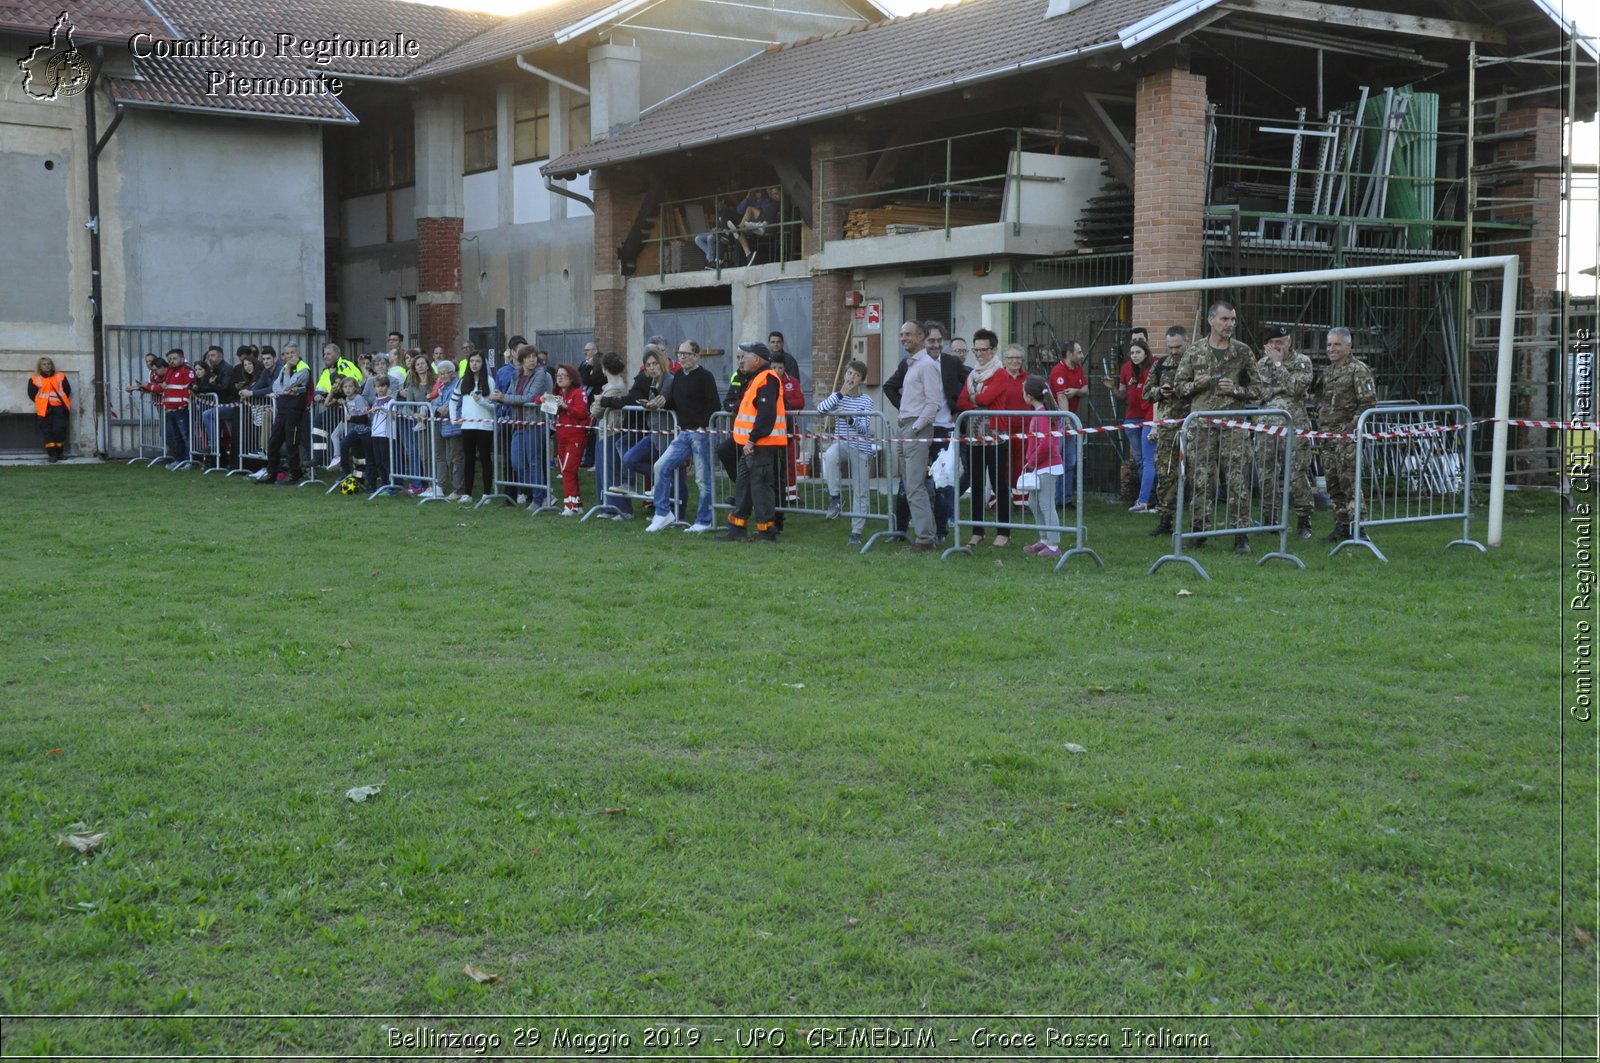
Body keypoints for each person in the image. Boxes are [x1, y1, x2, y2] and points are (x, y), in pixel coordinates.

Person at [1175, 301, 1259, 553]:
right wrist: (1195, 386)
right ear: (1211, 320)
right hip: (1201, 425)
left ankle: (1240, 533)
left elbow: (1258, 389)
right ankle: (1199, 530)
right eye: (1224, 319)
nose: (1229, 324)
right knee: (1200, 478)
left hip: (1232, 424)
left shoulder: (1242, 352)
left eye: (1232, 320)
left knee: (1237, 479)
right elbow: (1179, 387)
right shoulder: (1195, 351)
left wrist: (1235, 390)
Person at [956, 327, 1025, 548]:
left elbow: (987, 397)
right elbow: (961, 402)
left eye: (984, 350)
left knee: (999, 484)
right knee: (976, 484)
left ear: (994, 350)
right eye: (976, 350)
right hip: (976, 435)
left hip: (996, 436)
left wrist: (976, 398)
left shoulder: (1001, 373)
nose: (979, 354)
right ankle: (977, 531)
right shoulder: (973, 374)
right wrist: (978, 399)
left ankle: (1004, 531)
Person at [647, 341, 721, 534]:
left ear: (696, 356)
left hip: (701, 434)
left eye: (686, 354)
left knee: (702, 479)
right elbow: (676, 403)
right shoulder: (679, 376)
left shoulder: (706, 377)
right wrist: (662, 403)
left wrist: (702, 425)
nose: (681, 357)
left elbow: (715, 406)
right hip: (683, 434)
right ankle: (663, 513)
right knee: (660, 466)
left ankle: (704, 520)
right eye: (679, 353)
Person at [1315, 326, 1377, 543]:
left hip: (1347, 439)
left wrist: (1351, 429)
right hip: (1328, 438)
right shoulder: (1329, 372)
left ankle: (1359, 529)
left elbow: (1368, 403)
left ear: (1349, 346)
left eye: (1337, 344)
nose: (1331, 349)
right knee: (1333, 484)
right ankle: (1342, 525)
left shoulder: (1358, 370)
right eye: (1329, 345)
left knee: (1350, 484)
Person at [1254, 325, 1317, 538]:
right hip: (1266, 427)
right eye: (1272, 343)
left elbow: (1297, 388)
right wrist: (1279, 387)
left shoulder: (1302, 362)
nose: (1276, 346)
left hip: (1294, 426)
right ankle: (1270, 518)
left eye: (1280, 342)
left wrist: (1279, 365)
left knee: (1297, 473)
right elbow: (1257, 392)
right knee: (1266, 472)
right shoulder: (1261, 364)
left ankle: (1304, 519)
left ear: (1289, 342)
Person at [720, 341, 786, 541]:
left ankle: (766, 531)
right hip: (750, 445)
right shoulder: (756, 379)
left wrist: (752, 440)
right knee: (744, 487)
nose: (741, 360)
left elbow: (766, 416)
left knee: (760, 489)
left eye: (744, 356)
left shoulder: (766, 379)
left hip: (759, 446)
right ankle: (736, 528)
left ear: (756, 359)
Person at [895, 323, 949, 552]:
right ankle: (925, 535)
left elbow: (933, 403)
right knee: (910, 485)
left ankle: (926, 538)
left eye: (907, 334)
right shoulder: (914, 364)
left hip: (915, 428)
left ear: (920, 337)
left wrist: (916, 428)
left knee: (915, 486)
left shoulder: (926, 365)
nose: (903, 338)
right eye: (901, 335)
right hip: (907, 427)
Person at [816, 359, 877, 545]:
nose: (852, 378)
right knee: (830, 455)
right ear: (845, 375)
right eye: (849, 373)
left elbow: (864, 428)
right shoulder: (838, 396)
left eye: (856, 375)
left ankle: (856, 532)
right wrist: (841, 393)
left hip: (860, 446)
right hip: (841, 443)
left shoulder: (867, 400)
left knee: (861, 490)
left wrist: (848, 418)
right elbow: (820, 410)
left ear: (862, 380)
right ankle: (835, 497)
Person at [1144, 325, 1190, 538]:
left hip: (1194, 427)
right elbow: (1146, 393)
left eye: (1178, 346)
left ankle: (1198, 522)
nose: (1174, 351)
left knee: (1197, 473)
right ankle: (1166, 519)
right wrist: (1159, 392)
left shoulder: (1196, 362)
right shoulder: (1160, 365)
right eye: (1170, 347)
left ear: (1186, 342)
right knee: (1166, 473)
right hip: (1168, 428)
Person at [493, 345, 552, 506]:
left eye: (534, 357)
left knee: (534, 462)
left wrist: (505, 398)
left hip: (534, 423)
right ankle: (542, 493)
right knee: (517, 463)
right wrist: (499, 397)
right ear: (521, 360)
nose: (532, 359)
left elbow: (531, 397)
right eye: (528, 357)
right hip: (517, 423)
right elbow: (512, 394)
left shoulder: (541, 374)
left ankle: (539, 498)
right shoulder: (516, 374)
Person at [1103, 338, 1155, 512]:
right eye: (1132, 352)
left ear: (1146, 352)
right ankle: (1146, 499)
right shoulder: (1128, 369)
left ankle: (1146, 499)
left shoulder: (1151, 370)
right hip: (1132, 418)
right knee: (1141, 460)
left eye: (1138, 352)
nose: (1134, 355)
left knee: (1149, 461)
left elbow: (1153, 397)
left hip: (1149, 418)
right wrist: (1112, 388)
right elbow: (1122, 395)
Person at [621, 349, 676, 504]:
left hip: (668, 434)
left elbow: (663, 400)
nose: (652, 368)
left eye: (654, 363)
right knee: (630, 459)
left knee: (673, 473)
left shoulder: (669, 380)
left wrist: (655, 404)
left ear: (662, 363)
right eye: (648, 365)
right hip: (654, 433)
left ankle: (672, 509)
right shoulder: (653, 382)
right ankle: (661, 478)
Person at [1019, 375, 1065, 558]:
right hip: (1039, 466)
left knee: (1046, 504)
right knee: (1033, 502)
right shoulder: (1039, 413)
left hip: (1047, 466)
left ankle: (1054, 545)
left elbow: (1046, 443)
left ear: (1029, 396)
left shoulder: (1042, 415)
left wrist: (1031, 462)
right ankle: (1044, 539)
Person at [258, 344, 310, 484]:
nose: (290, 356)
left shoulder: (303, 368)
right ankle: (271, 473)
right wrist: (285, 390)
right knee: (273, 442)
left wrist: (287, 379)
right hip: (282, 410)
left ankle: (295, 474)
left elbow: (288, 385)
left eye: (292, 353)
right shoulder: (285, 367)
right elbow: (276, 386)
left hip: (295, 411)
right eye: (287, 353)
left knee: (291, 443)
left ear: (298, 353)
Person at [1046, 340, 1088, 505]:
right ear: (1069, 354)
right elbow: (1061, 396)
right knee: (1057, 460)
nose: (1081, 354)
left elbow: (1086, 390)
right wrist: (1067, 420)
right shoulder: (1058, 371)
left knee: (1070, 461)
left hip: (1071, 417)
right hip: (1060, 420)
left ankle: (1065, 499)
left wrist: (1077, 391)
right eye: (1078, 352)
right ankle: (1055, 499)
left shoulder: (1077, 368)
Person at [452, 352, 497, 503]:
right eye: (472, 361)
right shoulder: (463, 381)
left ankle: (486, 493)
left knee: (485, 459)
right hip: (467, 425)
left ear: (483, 364)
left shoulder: (489, 381)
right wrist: (453, 418)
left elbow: (493, 406)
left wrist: (481, 401)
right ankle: (467, 493)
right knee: (468, 459)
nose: (474, 364)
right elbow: (453, 400)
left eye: (477, 361)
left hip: (485, 425)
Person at [547, 364, 590, 515]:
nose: (559, 378)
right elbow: (539, 399)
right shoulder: (558, 393)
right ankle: (576, 504)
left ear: (571, 378)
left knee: (568, 470)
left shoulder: (579, 393)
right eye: (558, 375)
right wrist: (544, 399)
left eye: (563, 375)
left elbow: (582, 413)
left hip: (575, 437)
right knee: (565, 470)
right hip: (562, 437)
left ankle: (570, 506)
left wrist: (566, 407)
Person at [429, 360, 464, 499]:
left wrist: (441, 408)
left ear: (452, 373)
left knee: (457, 459)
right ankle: (457, 488)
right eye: (440, 374)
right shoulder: (443, 387)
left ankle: (459, 490)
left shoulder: (458, 385)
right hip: (447, 429)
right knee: (451, 459)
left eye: (445, 373)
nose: (442, 376)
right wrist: (437, 408)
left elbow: (452, 406)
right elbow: (433, 405)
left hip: (456, 427)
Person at [28, 357, 71, 461]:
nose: (47, 366)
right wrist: (42, 403)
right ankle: (52, 455)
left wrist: (60, 403)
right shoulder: (34, 379)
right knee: (48, 432)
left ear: (52, 366)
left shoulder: (60, 376)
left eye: (49, 364)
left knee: (59, 430)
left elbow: (67, 390)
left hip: (59, 408)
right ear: (40, 367)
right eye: (44, 364)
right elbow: (31, 394)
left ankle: (60, 454)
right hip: (44, 409)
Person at [731, 186, 780, 266]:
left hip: (764, 225)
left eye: (776, 193)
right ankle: (748, 255)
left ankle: (738, 228)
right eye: (756, 191)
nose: (758, 193)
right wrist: (747, 198)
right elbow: (739, 210)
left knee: (748, 212)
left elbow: (766, 215)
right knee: (739, 234)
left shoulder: (769, 201)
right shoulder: (752, 200)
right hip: (756, 225)